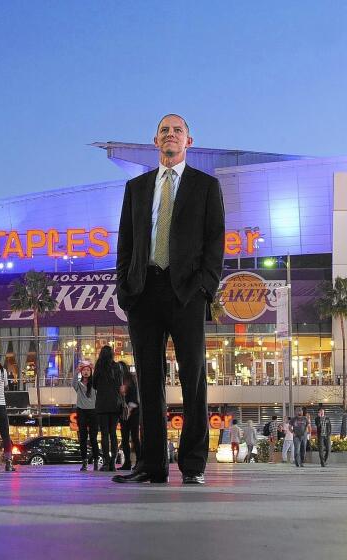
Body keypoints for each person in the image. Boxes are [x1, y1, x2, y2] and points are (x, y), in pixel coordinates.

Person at [113, 114, 225, 486]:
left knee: (193, 379)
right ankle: (152, 464)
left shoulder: (206, 186)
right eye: (165, 130)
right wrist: (126, 289)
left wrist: (204, 287)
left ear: (189, 141)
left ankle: (193, 464)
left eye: (178, 130)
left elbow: (215, 243)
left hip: (186, 293)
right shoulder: (137, 187)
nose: (171, 135)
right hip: (144, 291)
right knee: (148, 380)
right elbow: (125, 243)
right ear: (155, 140)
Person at [93, 346, 123, 472]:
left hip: (102, 404)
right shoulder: (117, 367)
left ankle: (105, 462)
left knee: (104, 434)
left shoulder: (99, 367)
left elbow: (94, 385)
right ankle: (113, 463)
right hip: (114, 404)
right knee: (113, 434)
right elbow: (120, 385)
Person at [73, 360, 99, 472]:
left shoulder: (95, 383)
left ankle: (96, 461)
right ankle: (84, 462)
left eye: (88, 370)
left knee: (93, 438)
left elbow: (99, 379)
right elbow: (73, 382)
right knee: (83, 438)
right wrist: (76, 371)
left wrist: (95, 369)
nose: (86, 372)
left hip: (93, 412)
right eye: (84, 370)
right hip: (81, 411)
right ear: (81, 372)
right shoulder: (78, 384)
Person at [117, 361, 141, 471]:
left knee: (135, 437)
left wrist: (129, 409)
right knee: (125, 438)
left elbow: (134, 398)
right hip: (124, 412)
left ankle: (139, 461)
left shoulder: (131, 380)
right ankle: (127, 462)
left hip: (133, 411)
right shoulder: (119, 381)